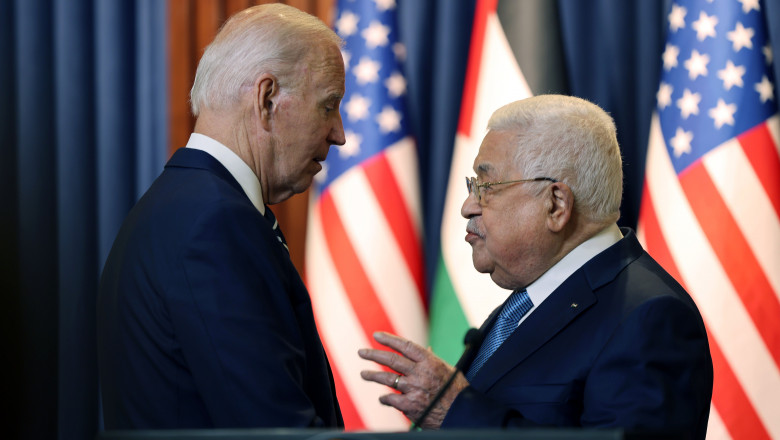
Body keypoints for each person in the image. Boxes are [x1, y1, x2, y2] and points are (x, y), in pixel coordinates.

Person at [359, 95, 713, 438]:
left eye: (486, 186)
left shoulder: (650, 318)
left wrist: (457, 412)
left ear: (556, 204)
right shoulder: (526, 301)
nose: (468, 206)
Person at [97, 4, 346, 429]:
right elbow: (274, 428)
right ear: (267, 98)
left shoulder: (180, 204)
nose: (339, 133)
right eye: (328, 106)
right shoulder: (213, 225)